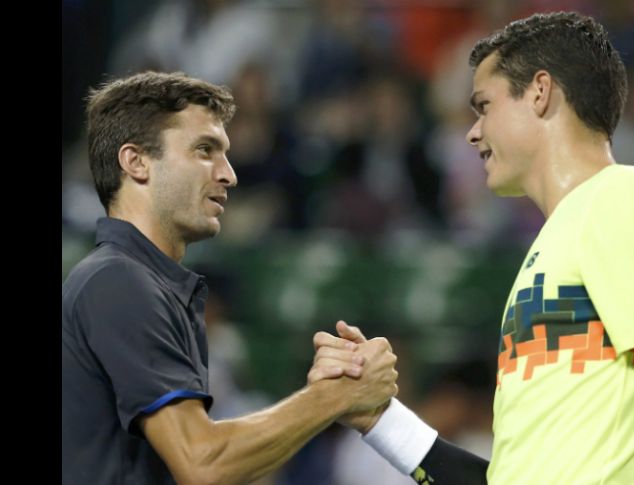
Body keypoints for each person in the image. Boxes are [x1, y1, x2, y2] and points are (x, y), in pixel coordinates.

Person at [310, 11, 634, 485]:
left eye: (484, 106)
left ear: (540, 92)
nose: (472, 131)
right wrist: (379, 419)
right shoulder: (556, 245)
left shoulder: (622, 199)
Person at [61, 71, 399, 485]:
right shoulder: (120, 281)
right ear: (136, 162)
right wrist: (335, 396)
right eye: (205, 150)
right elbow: (203, 463)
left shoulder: (139, 281)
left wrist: (330, 397)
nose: (229, 174)